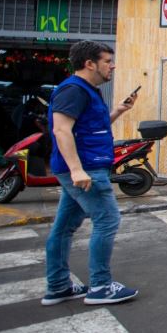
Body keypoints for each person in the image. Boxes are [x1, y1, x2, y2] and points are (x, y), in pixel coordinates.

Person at [42, 41, 139, 306]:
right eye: (108, 60)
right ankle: (101, 287)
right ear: (89, 63)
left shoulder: (87, 91)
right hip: (86, 170)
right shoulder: (73, 90)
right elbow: (61, 130)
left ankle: (58, 286)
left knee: (63, 228)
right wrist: (76, 170)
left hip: (87, 167)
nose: (113, 65)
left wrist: (118, 111)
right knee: (107, 220)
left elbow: (91, 128)